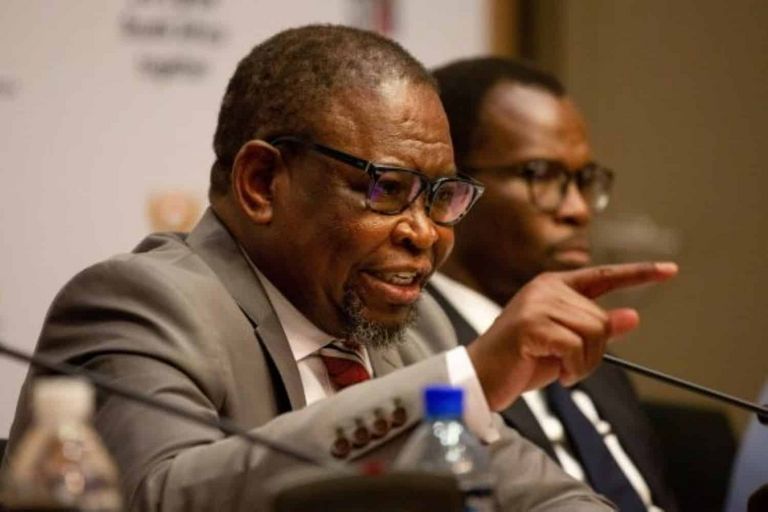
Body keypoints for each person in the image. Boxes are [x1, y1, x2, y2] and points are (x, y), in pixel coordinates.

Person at [4, 27, 676, 512]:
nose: (424, 232)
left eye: (442, 197)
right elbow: (160, 496)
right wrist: (462, 380)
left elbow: (536, 495)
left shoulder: (414, 332)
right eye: (387, 189)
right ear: (262, 182)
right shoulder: (141, 303)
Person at [430, 57, 678, 512]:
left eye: (585, 180)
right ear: (451, 190)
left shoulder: (589, 348)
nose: (578, 209)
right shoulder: (416, 358)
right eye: (541, 174)